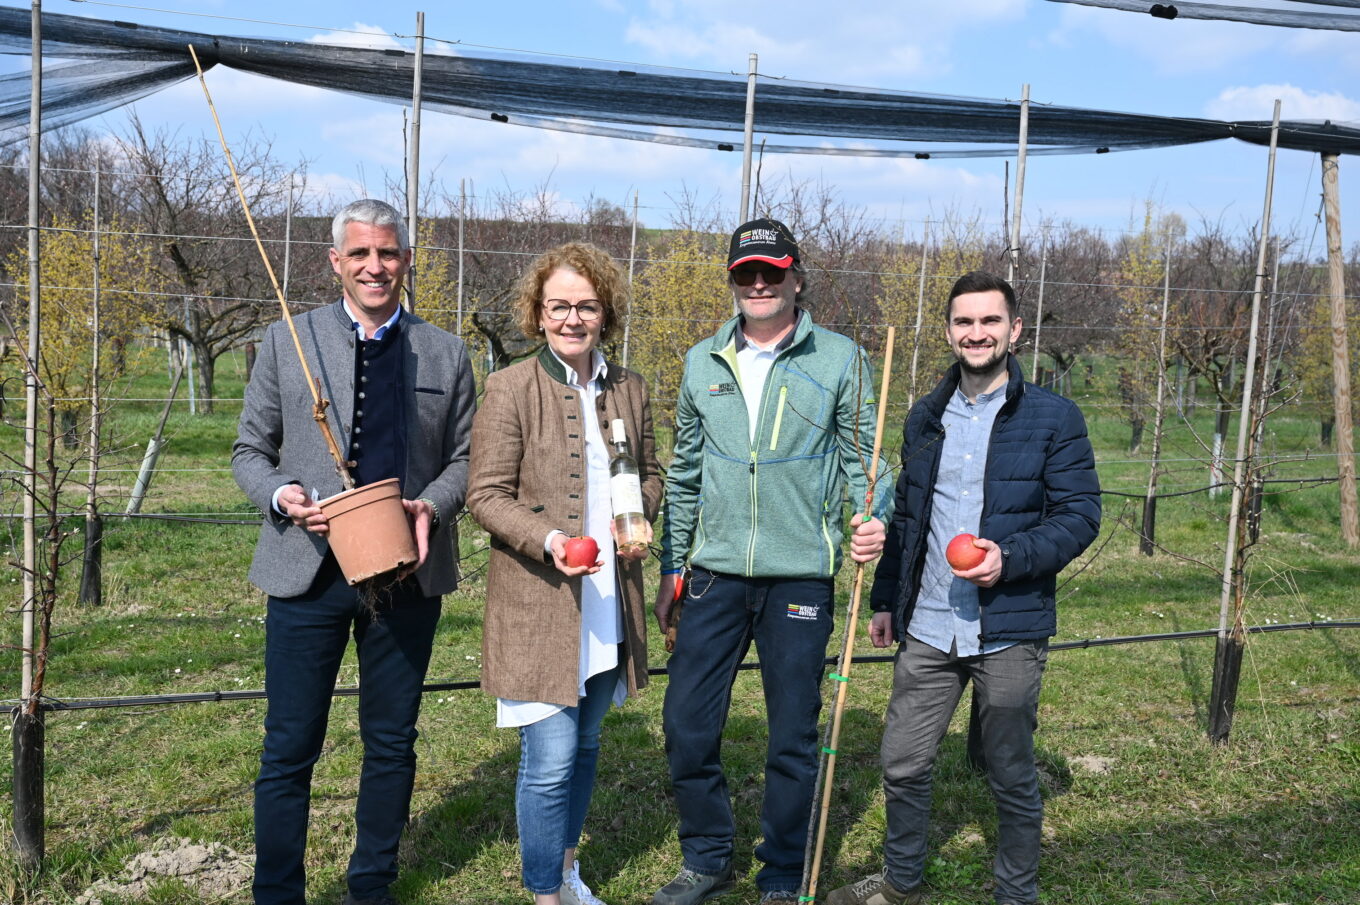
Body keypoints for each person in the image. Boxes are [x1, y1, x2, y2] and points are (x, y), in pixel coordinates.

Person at [827, 271, 1101, 905]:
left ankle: (1016, 894)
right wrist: (884, 598)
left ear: (1014, 330)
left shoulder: (1054, 417)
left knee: (1008, 773)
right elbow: (907, 517)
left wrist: (1010, 557)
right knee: (903, 763)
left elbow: (1081, 513)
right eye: (964, 322)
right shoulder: (926, 415)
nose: (976, 333)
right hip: (927, 623)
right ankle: (902, 886)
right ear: (949, 331)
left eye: (989, 321)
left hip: (1009, 624)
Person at [233, 198, 476, 905]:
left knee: (393, 740)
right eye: (361, 254)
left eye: (389, 252)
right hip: (306, 574)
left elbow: (465, 457)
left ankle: (372, 883)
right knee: (288, 746)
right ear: (336, 261)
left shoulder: (446, 352)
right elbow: (250, 449)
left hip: (406, 572)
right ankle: (277, 891)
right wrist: (282, 496)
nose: (377, 266)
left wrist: (433, 502)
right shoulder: (290, 341)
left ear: (405, 260)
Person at [651, 218, 893, 905]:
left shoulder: (840, 358)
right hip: (715, 572)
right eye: (745, 272)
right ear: (732, 279)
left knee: (792, 732)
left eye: (772, 271)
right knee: (687, 724)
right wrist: (673, 568)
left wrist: (873, 517)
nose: (759, 283)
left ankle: (782, 872)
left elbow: (864, 463)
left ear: (795, 277)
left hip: (799, 573)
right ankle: (706, 856)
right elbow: (686, 471)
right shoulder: (703, 362)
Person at [468, 242, 663, 905]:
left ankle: (569, 868)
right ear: (538, 312)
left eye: (586, 304)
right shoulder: (511, 387)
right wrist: (549, 538)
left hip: (611, 598)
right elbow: (486, 494)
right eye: (559, 305)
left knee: (584, 747)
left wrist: (639, 515)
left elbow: (652, 472)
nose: (573, 318)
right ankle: (544, 892)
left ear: (604, 311)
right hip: (540, 601)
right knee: (550, 758)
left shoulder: (629, 388)